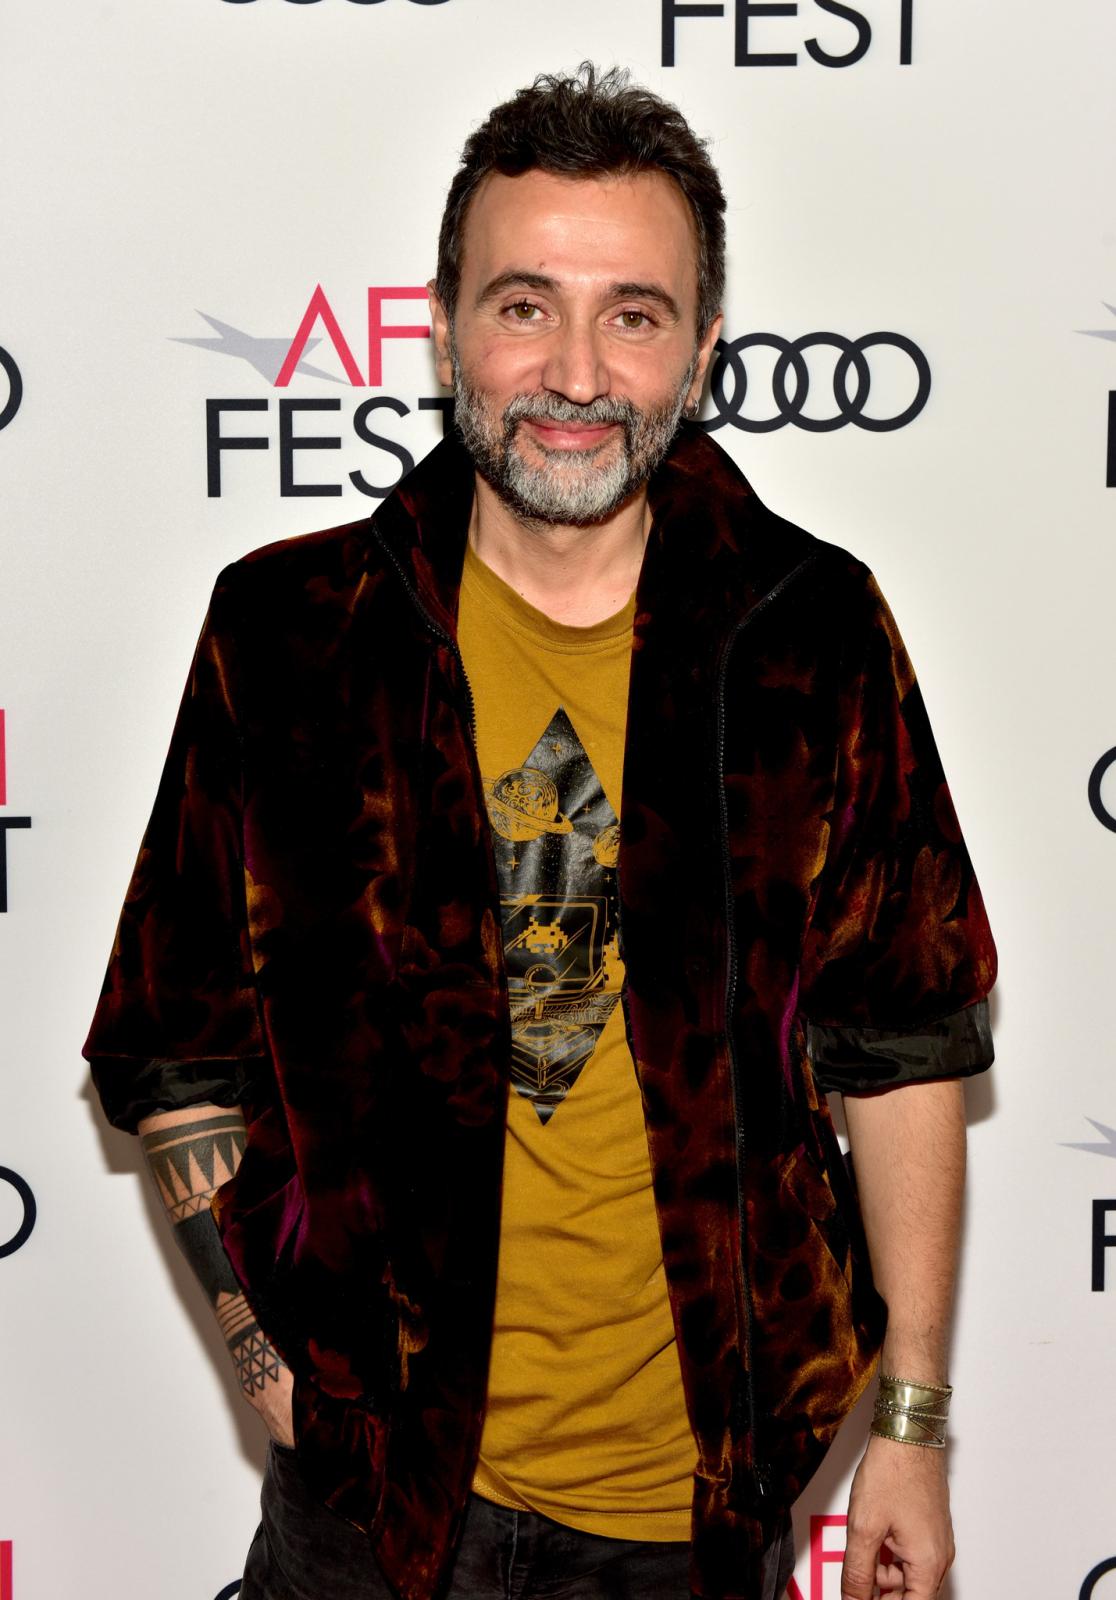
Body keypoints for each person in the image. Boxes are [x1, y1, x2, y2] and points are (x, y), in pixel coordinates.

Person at [84, 64, 996, 1600]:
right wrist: (266, 1363)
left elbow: (901, 1048)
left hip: (690, 1519)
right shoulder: (291, 633)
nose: (575, 371)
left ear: (703, 349)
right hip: (372, 1510)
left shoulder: (810, 633)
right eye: (525, 306)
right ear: (444, 329)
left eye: (633, 315)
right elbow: (175, 1048)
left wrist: (910, 1424)